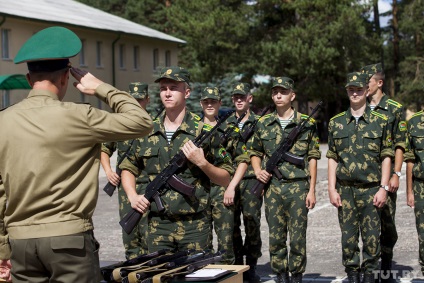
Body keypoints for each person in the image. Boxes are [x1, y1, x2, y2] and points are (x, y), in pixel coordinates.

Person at [0, 26, 153, 283]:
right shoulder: (80, 116)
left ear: (28, 79)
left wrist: (3, 248)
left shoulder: (3, 121)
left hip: (21, 244)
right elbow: (141, 121)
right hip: (68, 241)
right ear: (65, 78)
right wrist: (101, 87)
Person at [120, 66, 233, 253]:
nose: (167, 93)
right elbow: (128, 166)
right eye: (163, 88)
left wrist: (202, 163)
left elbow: (225, 177)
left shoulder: (203, 131)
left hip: (194, 226)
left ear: (187, 92)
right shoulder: (147, 129)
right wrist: (132, 195)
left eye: (173, 88)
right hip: (158, 226)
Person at [249, 77, 321, 283]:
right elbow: (254, 151)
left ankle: (296, 276)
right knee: (276, 237)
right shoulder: (263, 123)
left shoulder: (307, 123)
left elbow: (313, 157)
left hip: (298, 186)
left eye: (283, 92)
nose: (278, 95)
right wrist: (257, 170)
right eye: (275, 92)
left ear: (292, 95)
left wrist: (312, 189)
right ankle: (281, 275)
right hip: (272, 188)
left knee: (298, 237)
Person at [327, 72, 393, 283]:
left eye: (358, 89)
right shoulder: (336, 123)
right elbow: (332, 157)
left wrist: (383, 187)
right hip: (345, 190)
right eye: (351, 90)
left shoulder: (381, 121)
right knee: (348, 239)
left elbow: (386, 156)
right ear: (347, 91)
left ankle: (370, 276)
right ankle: (353, 274)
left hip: (371, 189)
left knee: (372, 239)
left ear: (367, 90)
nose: (355, 93)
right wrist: (331, 188)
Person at [360, 63, 407, 283]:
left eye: (366, 81)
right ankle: (369, 270)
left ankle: (386, 270)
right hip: (363, 178)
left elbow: (400, 144)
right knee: (366, 227)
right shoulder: (360, 106)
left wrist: (396, 174)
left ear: (379, 83)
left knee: (387, 224)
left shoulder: (394, 108)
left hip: (385, 176)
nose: (363, 86)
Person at [100, 82, 150, 259]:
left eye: (140, 100)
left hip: (148, 186)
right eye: (133, 100)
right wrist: (108, 171)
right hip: (125, 188)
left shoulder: (152, 124)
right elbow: (104, 149)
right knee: (130, 234)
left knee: (149, 234)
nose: (137, 103)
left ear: (147, 100)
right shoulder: (120, 124)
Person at [225, 82, 263, 282]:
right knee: (231, 224)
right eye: (235, 97)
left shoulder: (260, 122)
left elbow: (265, 150)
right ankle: (238, 263)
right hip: (229, 179)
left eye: (242, 97)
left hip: (251, 180)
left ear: (250, 98)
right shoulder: (225, 121)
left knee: (252, 221)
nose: (239, 100)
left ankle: (252, 265)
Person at [199, 86, 237, 264]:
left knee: (225, 242)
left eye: (213, 101)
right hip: (198, 190)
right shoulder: (193, 128)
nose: (209, 104)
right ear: (201, 103)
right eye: (206, 101)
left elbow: (242, 160)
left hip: (222, 190)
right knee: (201, 244)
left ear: (219, 103)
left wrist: (231, 187)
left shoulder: (229, 129)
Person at [404, 110, 424, 276]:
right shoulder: (414, 122)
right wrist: (409, 191)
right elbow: (410, 159)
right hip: (421, 186)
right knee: (423, 234)